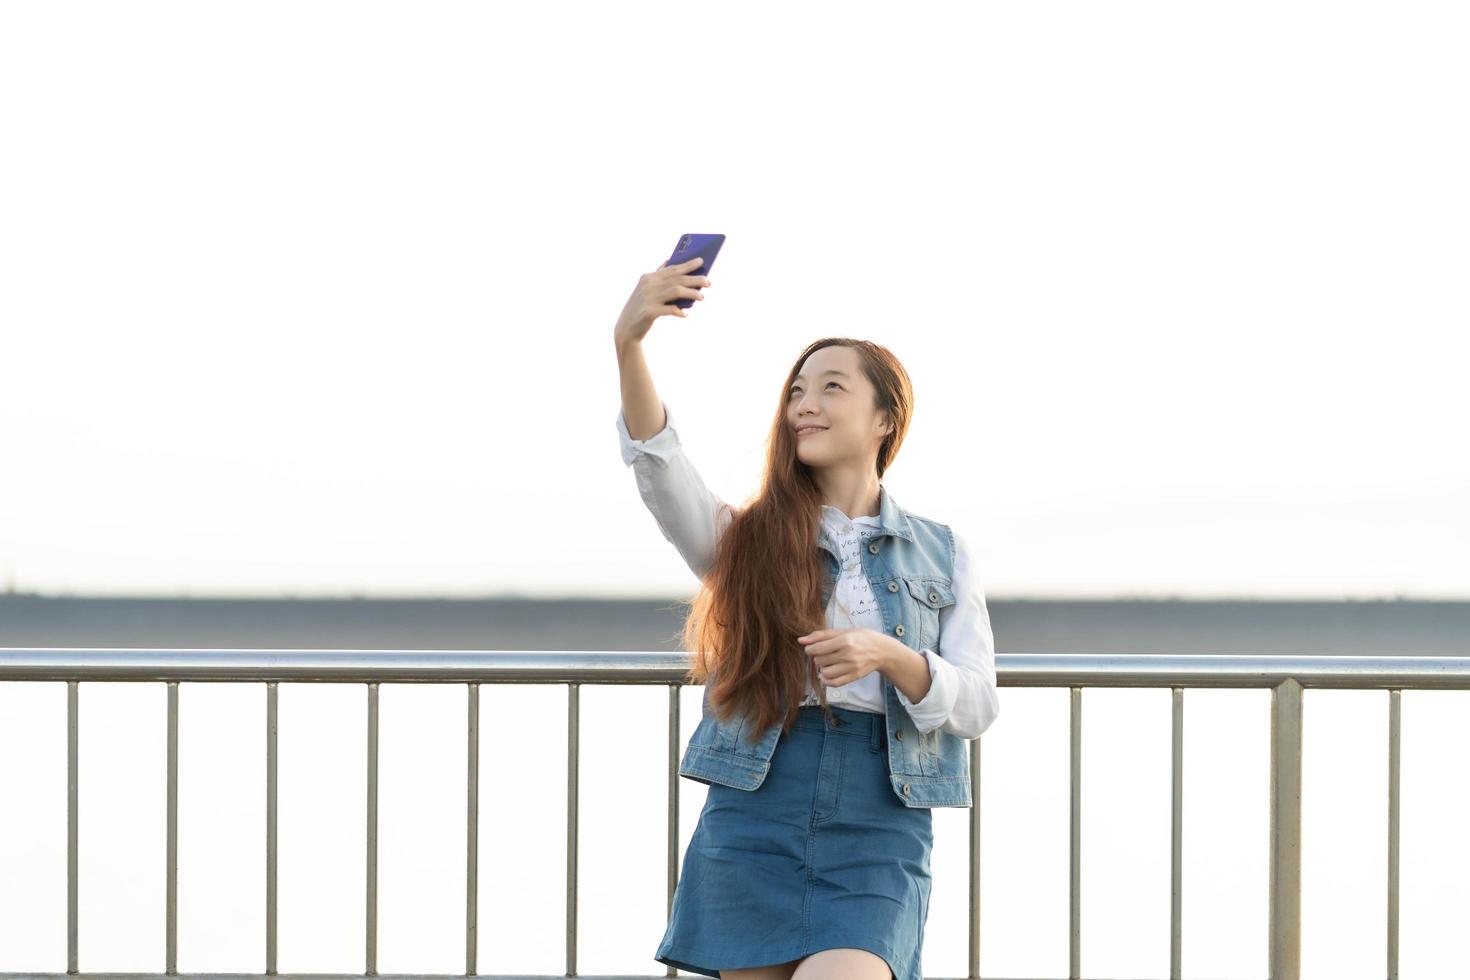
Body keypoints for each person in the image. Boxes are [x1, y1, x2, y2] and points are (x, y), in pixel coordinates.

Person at [613, 254, 1000, 980]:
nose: (804, 405)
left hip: (878, 817)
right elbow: (660, 467)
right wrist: (629, 345)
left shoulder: (943, 553)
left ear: (885, 417)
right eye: (796, 391)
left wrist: (890, 656)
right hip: (758, 804)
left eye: (830, 387)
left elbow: (977, 702)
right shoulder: (746, 538)